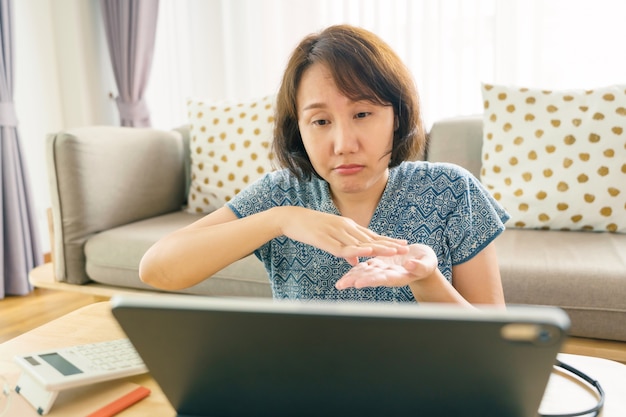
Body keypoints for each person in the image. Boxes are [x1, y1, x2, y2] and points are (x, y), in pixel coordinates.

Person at [139, 24, 509, 306]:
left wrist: (426, 279)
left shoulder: (451, 189)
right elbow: (156, 268)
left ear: (396, 116)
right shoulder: (281, 194)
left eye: (362, 113)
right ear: (298, 128)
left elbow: (496, 345)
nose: (344, 144)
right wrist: (281, 219)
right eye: (320, 121)